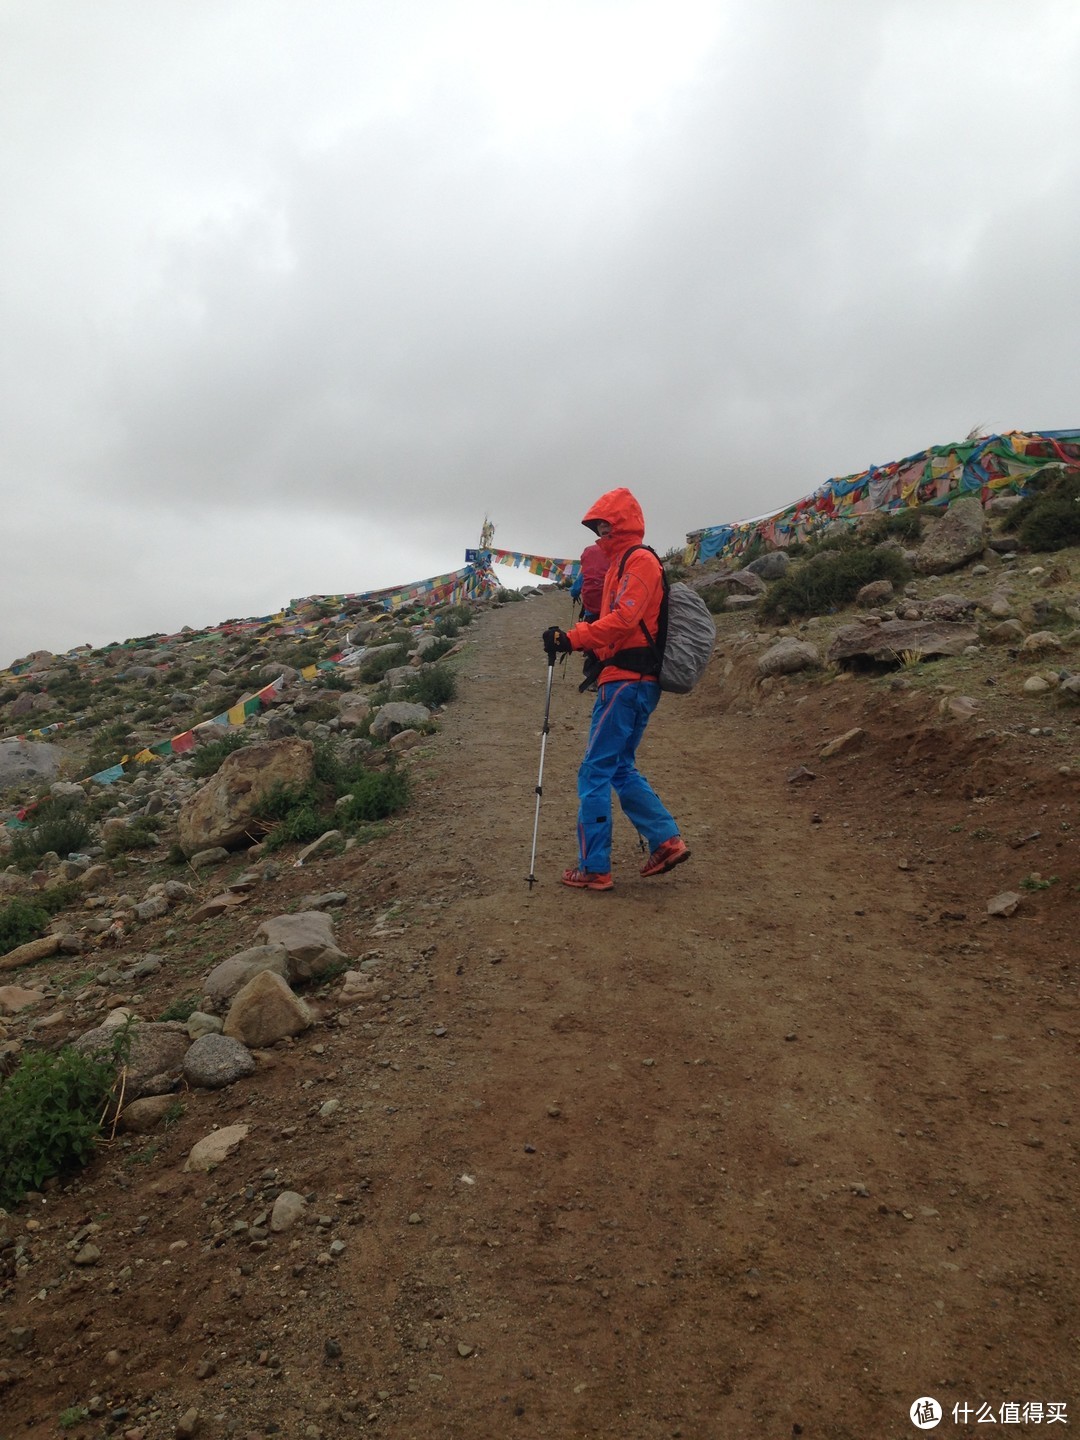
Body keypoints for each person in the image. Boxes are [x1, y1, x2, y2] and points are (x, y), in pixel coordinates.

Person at [541, 486, 690, 892]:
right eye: (597, 527)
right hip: (630, 681)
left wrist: (572, 639)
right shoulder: (621, 564)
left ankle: (594, 867)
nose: (598, 534)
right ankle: (666, 841)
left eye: (604, 526)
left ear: (621, 525)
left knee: (595, 771)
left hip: (627, 682)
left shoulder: (638, 561)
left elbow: (625, 621)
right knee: (620, 767)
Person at [568, 541, 606, 622]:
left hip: (591, 613)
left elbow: (574, 591)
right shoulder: (615, 569)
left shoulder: (586, 572)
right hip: (612, 613)